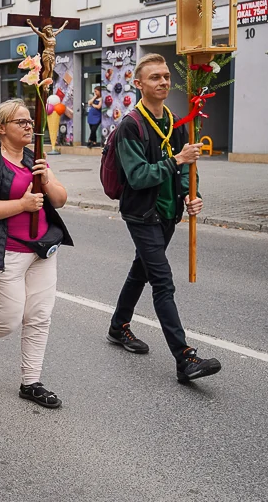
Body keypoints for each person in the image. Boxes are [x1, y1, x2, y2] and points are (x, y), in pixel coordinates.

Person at [107, 53, 221, 383]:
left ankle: (118, 327)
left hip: (168, 213)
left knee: (140, 271)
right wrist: (178, 160)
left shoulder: (174, 120)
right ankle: (184, 358)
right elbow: (139, 175)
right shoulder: (131, 124)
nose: (163, 82)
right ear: (139, 84)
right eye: (155, 77)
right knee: (162, 281)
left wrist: (190, 195)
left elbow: (185, 170)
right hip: (142, 214)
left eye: (166, 76)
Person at [0, 101, 73, 407]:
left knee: (39, 316)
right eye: (20, 122)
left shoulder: (35, 158)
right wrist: (21, 205)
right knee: (7, 319)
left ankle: (31, 382)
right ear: (1, 129)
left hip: (42, 250)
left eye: (29, 121)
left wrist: (46, 177)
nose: (28, 126)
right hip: (5, 251)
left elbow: (60, 200)